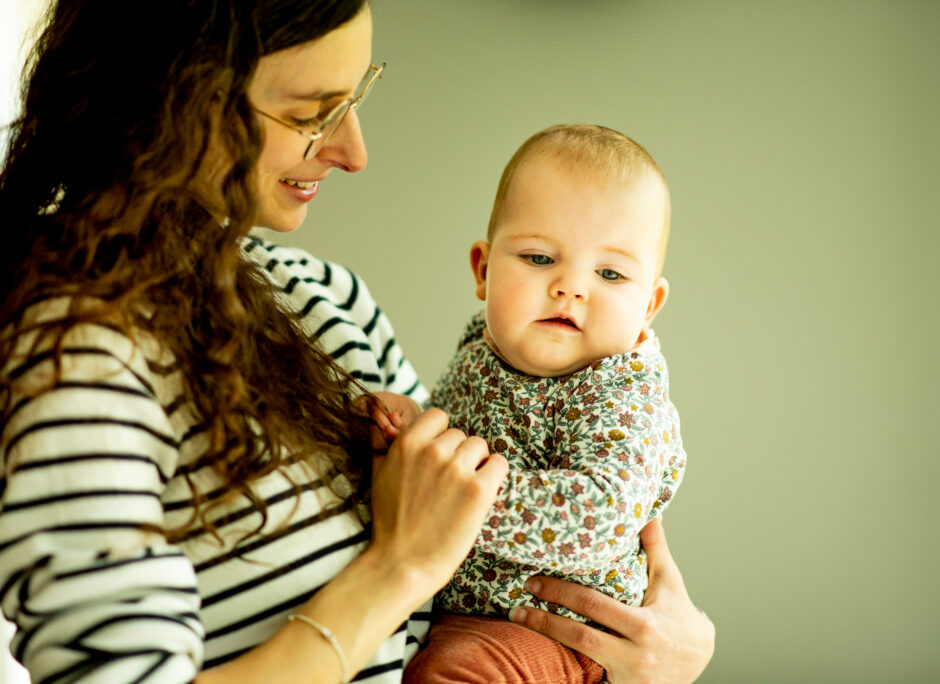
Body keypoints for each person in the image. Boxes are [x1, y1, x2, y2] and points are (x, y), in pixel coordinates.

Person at [0, 3, 714, 684]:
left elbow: (486, 497)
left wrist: (663, 653)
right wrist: (397, 568)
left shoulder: (327, 298)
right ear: (174, 93)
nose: (354, 151)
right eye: (314, 112)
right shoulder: (73, 351)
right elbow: (434, 540)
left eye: (357, 98)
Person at [402, 124, 688, 683]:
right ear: (483, 270)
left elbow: (599, 518)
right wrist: (409, 428)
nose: (570, 287)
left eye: (609, 273)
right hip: (468, 608)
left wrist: (450, 501)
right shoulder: (482, 348)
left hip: (554, 629)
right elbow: (446, 440)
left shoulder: (621, 392)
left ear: (649, 305)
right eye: (537, 258)